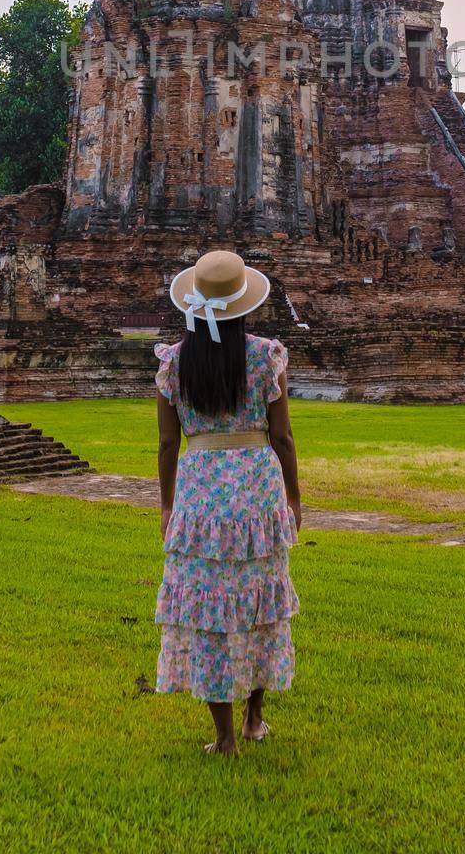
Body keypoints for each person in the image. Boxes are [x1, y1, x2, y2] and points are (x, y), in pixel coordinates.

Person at [154, 249, 303, 756]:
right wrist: (293, 496)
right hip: (257, 492)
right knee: (260, 599)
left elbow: (168, 444)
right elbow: (282, 436)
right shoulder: (267, 357)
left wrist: (167, 505)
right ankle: (253, 719)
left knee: (209, 605)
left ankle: (222, 737)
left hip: (199, 492)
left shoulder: (174, 362)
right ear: (244, 304)